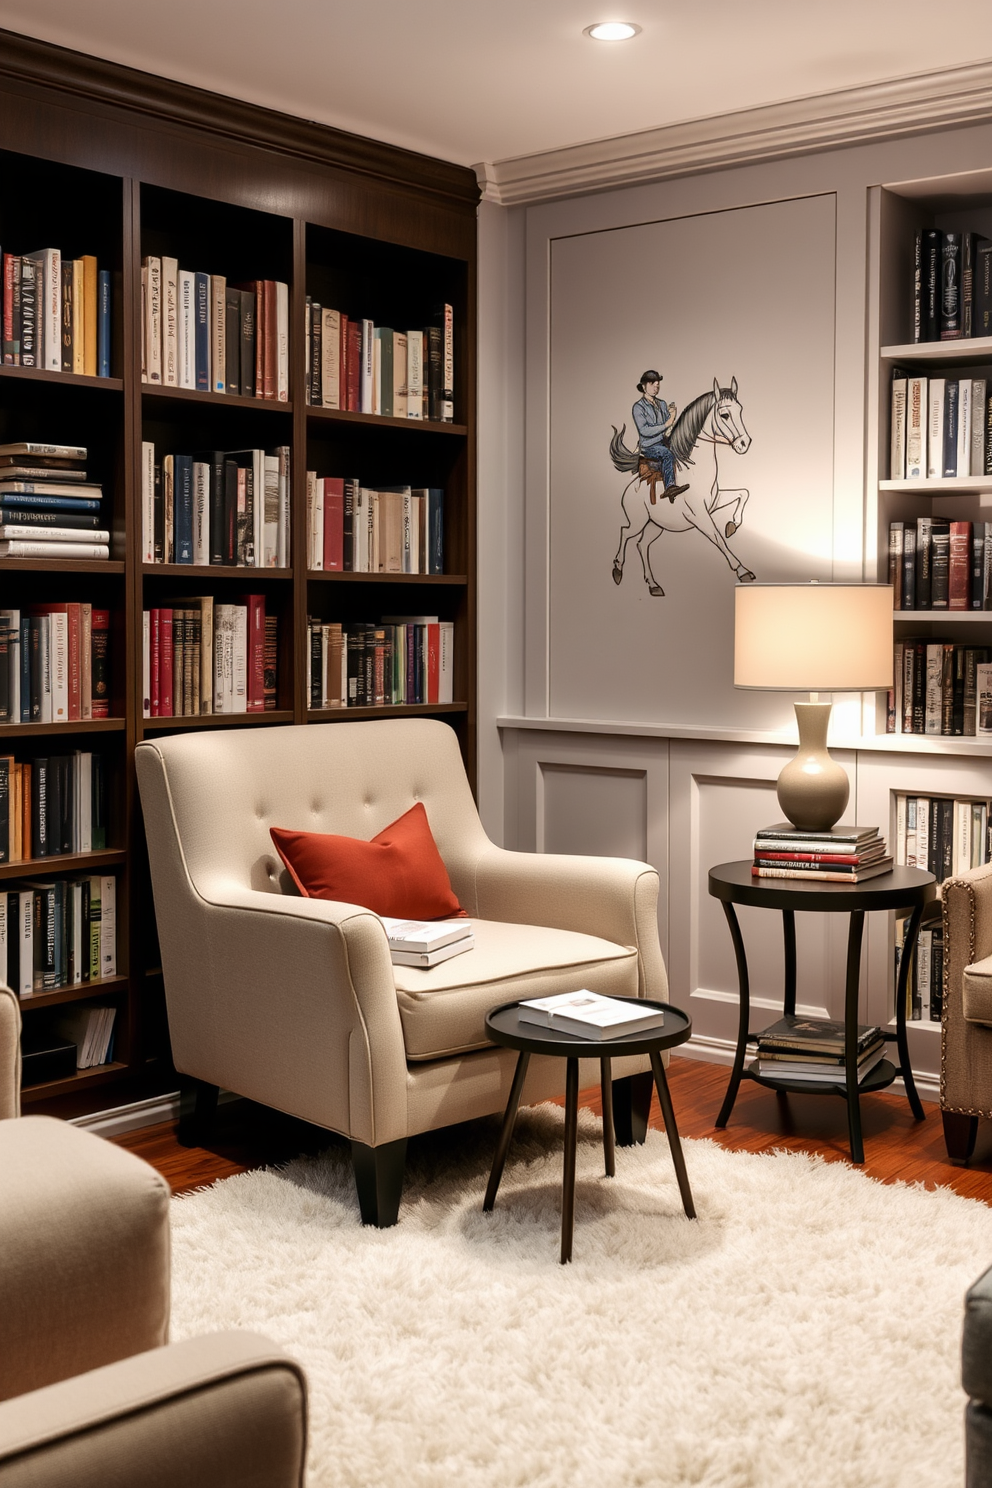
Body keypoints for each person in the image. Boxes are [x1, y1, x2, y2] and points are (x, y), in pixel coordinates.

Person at [632, 370, 689, 502]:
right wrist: (666, 424)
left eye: (657, 384)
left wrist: (673, 415)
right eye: (652, 383)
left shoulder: (662, 404)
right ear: (643, 386)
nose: (656, 387)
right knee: (666, 454)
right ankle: (669, 487)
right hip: (649, 446)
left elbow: (669, 423)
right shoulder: (638, 407)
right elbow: (644, 431)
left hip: (665, 441)